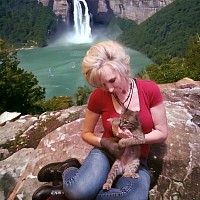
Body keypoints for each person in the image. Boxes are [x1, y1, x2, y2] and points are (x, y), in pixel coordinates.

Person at [32, 41, 168, 200]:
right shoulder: (98, 96)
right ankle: (68, 168)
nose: (109, 89)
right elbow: (86, 133)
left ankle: (65, 192)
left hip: (135, 158)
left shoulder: (149, 90)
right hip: (105, 153)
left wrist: (135, 139)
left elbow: (162, 132)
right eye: (101, 84)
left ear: (124, 68)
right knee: (78, 192)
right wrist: (105, 143)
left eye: (112, 80)